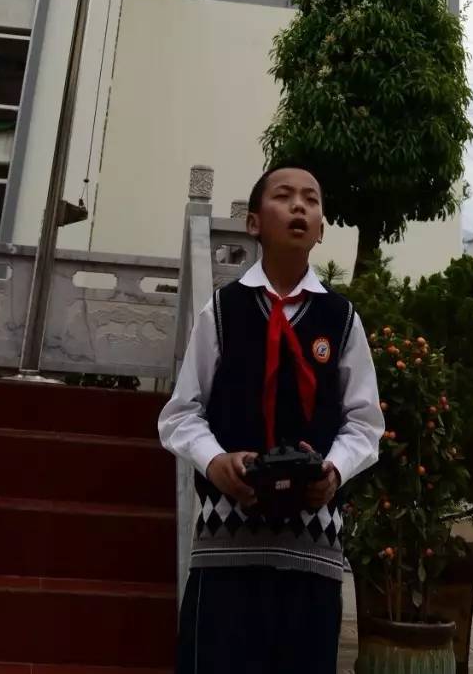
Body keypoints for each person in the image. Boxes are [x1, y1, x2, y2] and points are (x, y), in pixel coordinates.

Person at [158, 164, 383, 674]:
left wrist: (334, 471)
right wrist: (215, 463)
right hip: (225, 550)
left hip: (314, 549)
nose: (300, 206)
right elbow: (181, 414)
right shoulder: (223, 310)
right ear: (255, 222)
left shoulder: (341, 319)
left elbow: (364, 423)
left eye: (311, 199)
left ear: (322, 228)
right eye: (284, 196)